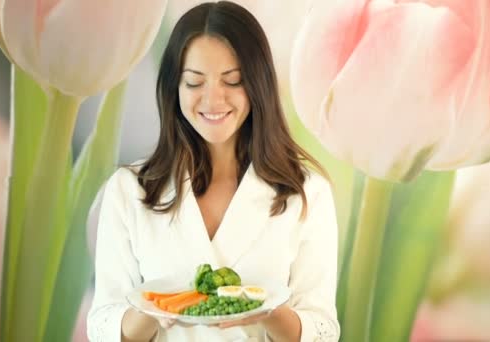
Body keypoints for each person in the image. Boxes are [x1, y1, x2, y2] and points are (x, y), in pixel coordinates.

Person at [87, 1, 340, 341]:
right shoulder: (129, 190)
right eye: (194, 82)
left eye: (232, 80)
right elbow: (102, 326)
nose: (213, 99)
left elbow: (323, 330)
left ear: (257, 84)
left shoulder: (307, 192)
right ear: (173, 88)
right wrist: (156, 310)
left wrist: (269, 312)